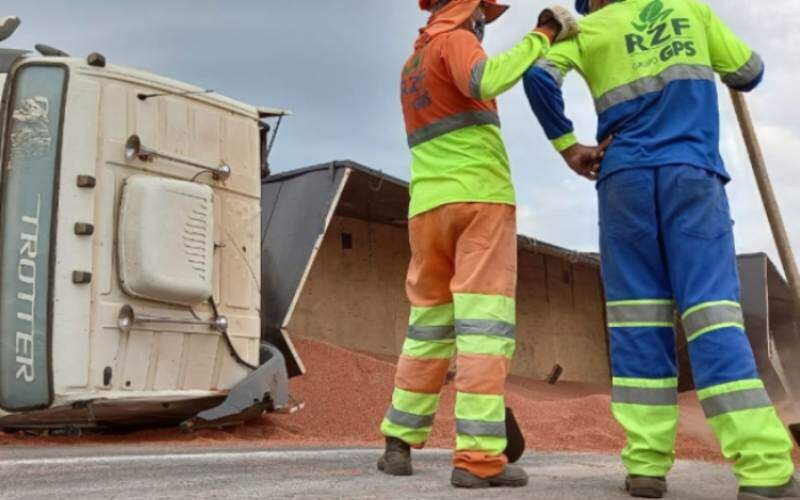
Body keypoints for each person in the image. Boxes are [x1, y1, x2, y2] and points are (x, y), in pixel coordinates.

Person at [522, 0, 798, 498]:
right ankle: (763, 470)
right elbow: (750, 72)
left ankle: (646, 466)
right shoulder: (690, 10)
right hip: (691, 176)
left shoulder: (589, 29)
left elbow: (538, 77)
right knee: (712, 315)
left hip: (623, 181)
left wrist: (569, 146)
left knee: (637, 320)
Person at [377, 0, 578, 489]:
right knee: (484, 334)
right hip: (479, 201)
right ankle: (479, 459)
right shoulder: (457, 40)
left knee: (428, 328)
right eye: (483, 10)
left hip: (427, 207)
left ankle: (398, 443)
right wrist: (544, 33)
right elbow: (485, 81)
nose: (485, 20)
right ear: (469, 9)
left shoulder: (413, 64)